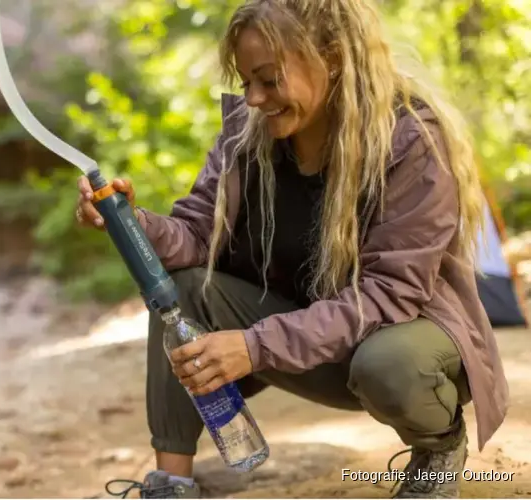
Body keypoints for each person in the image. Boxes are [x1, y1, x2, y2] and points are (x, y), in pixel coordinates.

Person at [75, 0, 509, 497]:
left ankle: (438, 446)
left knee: (388, 364)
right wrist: (129, 223)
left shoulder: (409, 139)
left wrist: (254, 346)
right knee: (184, 288)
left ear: (332, 58)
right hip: (305, 342)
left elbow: (390, 294)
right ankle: (171, 480)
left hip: (389, 346)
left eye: (270, 79)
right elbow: (195, 237)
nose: (255, 98)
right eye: (246, 83)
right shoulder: (247, 135)